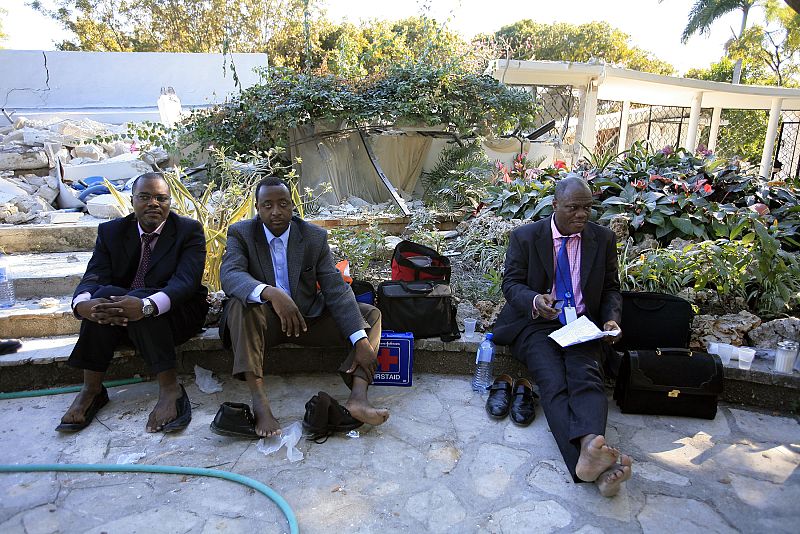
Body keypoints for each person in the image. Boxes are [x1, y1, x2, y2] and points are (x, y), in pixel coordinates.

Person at [493, 175, 632, 497]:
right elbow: (511, 284)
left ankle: (588, 452)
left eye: (587, 208)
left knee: (585, 374)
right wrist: (534, 300)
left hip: (582, 323)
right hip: (537, 323)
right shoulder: (526, 237)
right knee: (553, 379)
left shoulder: (602, 239)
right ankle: (590, 458)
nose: (582, 215)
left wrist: (611, 321)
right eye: (573, 208)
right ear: (555, 205)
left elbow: (611, 288)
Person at [218, 176, 388, 437]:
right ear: (257, 207)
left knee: (370, 316)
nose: (276, 211)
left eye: (283, 204)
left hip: (306, 318)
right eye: (267, 205)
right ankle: (260, 402)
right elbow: (230, 275)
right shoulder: (242, 234)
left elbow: (335, 288)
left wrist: (360, 340)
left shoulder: (313, 237)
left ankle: (358, 397)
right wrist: (271, 293)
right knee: (241, 307)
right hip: (263, 322)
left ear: (293, 205)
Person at [57, 173, 209, 434]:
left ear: (170, 202)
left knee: (133, 299)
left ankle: (170, 388)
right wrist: (82, 305)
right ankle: (91, 389)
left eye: (161, 198)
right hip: (122, 314)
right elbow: (94, 274)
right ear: (132, 200)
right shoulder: (111, 231)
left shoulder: (188, 231)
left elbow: (185, 282)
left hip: (177, 312)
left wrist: (146, 305)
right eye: (145, 197)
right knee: (102, 298)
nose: (153, 203)